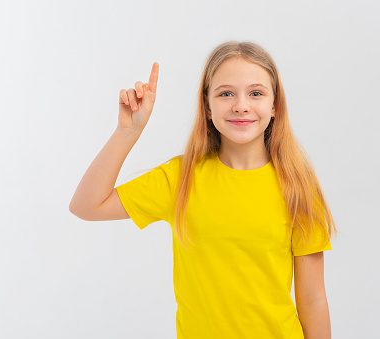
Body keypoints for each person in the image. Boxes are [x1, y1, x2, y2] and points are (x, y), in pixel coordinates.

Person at [69, 40, 337, 339]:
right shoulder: (181, 178)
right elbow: (86, 206)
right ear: (207, 106)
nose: (241, 105)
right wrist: (127, 132)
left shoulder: (297, 185)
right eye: (225, 93)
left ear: (274, 106)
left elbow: (313, 300)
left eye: (256, 93)